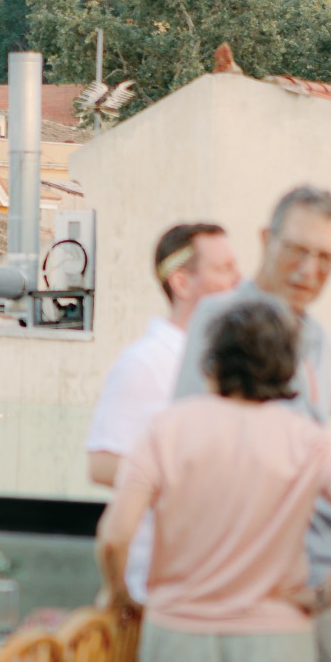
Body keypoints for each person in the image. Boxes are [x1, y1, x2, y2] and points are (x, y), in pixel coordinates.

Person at [98, 300, 331, 662]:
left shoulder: (167, 428)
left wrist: (123, 592)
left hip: (180, 638)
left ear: (209, 363)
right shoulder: (310, 441)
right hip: (277, 643)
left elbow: (114, 534)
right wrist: (327, 591)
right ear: (289, 373)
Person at [174, 185, 331, 662]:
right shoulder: (221, 318)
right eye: (298, 250)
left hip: (324, 564)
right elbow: (195, 443)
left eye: (327, 259)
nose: (310, 270)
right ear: (264, 242)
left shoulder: (318, 339)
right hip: (275, 578)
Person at [86, 222, 240, 601]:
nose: (240, 281)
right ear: (182, 283)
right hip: (160, 587)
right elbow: (101, 464)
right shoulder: (145, 363)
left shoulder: (223, 363)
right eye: (224, 270)